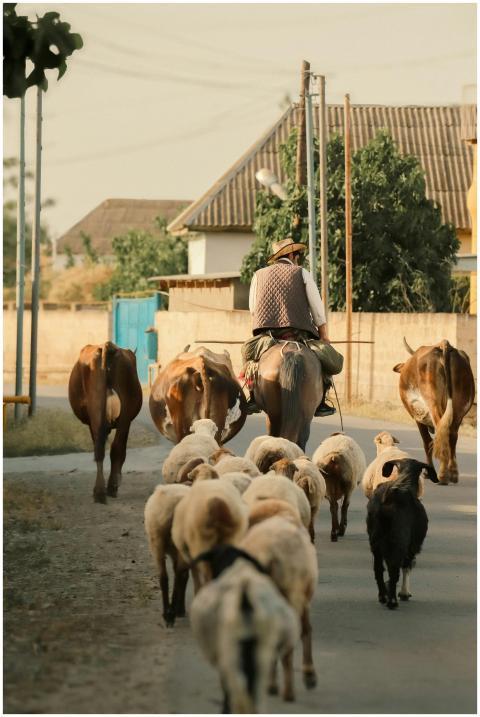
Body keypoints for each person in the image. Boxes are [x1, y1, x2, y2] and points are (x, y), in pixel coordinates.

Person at [241, 236, 343, 416]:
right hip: (299, 335)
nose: (298, 257)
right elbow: (317, 308)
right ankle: (322, 402)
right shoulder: (302, 273)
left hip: (267, 337)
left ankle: (253, 397)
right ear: (291, 255)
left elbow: (253, 309)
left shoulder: (258, 275)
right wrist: (324, 335)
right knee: (326, 360)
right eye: (297, 253)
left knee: (247, 355)